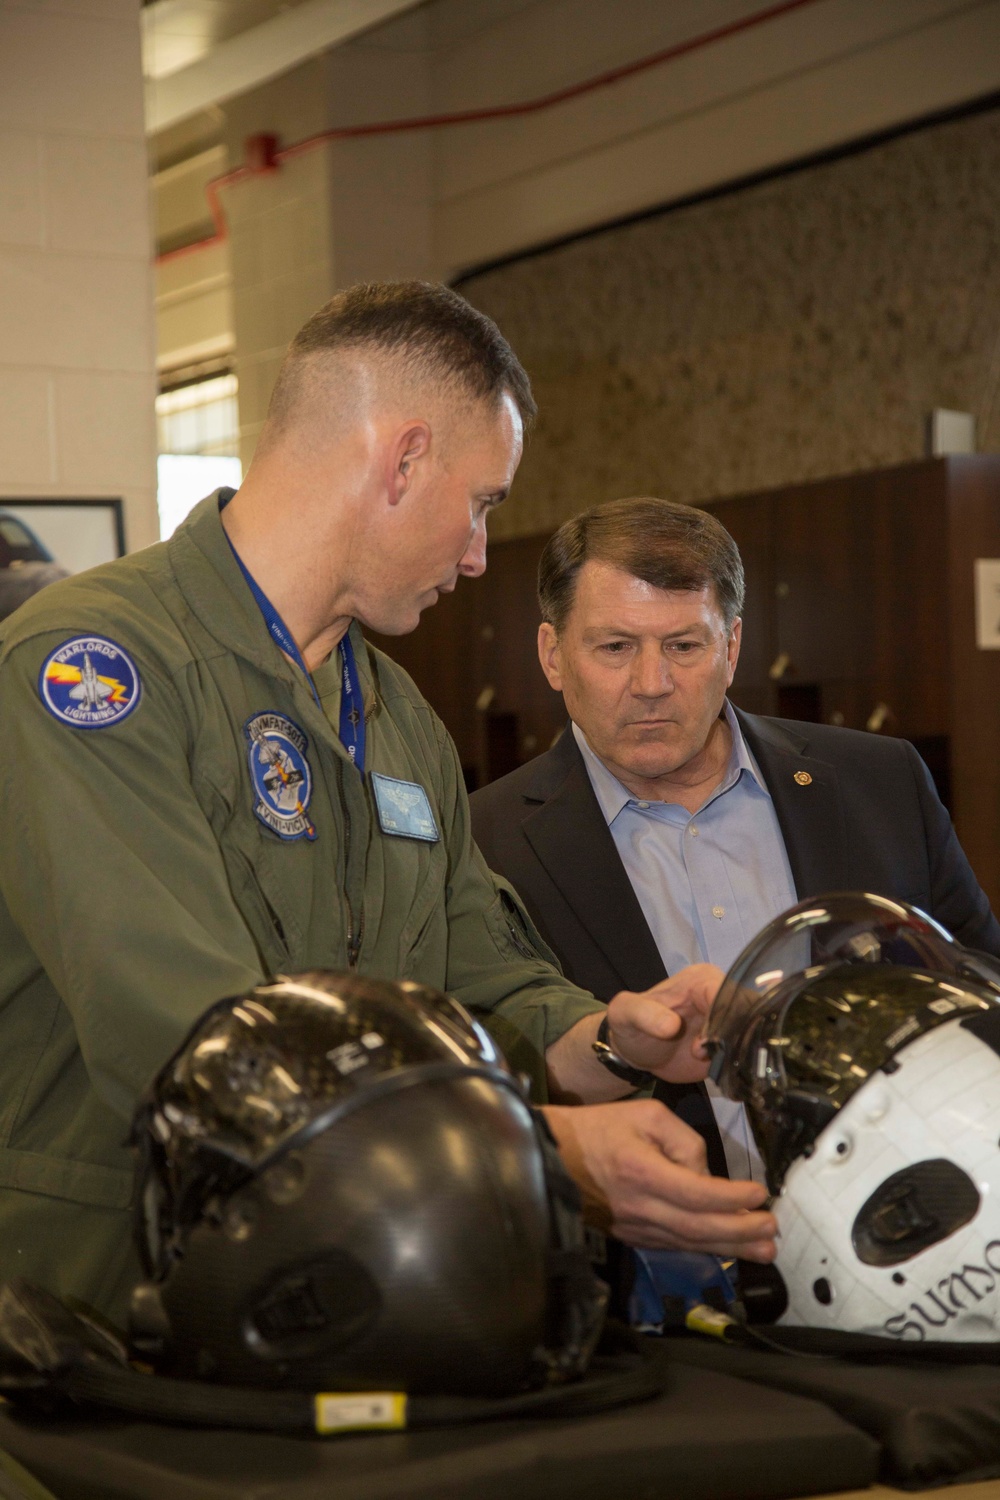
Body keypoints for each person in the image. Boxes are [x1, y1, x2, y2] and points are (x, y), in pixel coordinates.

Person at [0, 287, 774, 1323]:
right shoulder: (94, 669)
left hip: (335, 1284)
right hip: (102, 1306)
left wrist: (607, 1041)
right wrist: (544, 1152)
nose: (475, 554)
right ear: (403, 460)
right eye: (482, 502)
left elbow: (471, 968)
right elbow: (192, 1044)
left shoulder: (393, 711)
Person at [470, 496, 1000, 1180]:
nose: (652, 684)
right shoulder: (487, 842)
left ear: (732, 647)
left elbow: (980, 991)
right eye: (615, 647)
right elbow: (490, 1079)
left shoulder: (880, 783)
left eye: (684, 645)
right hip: (651, 1265)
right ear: (552, 654)